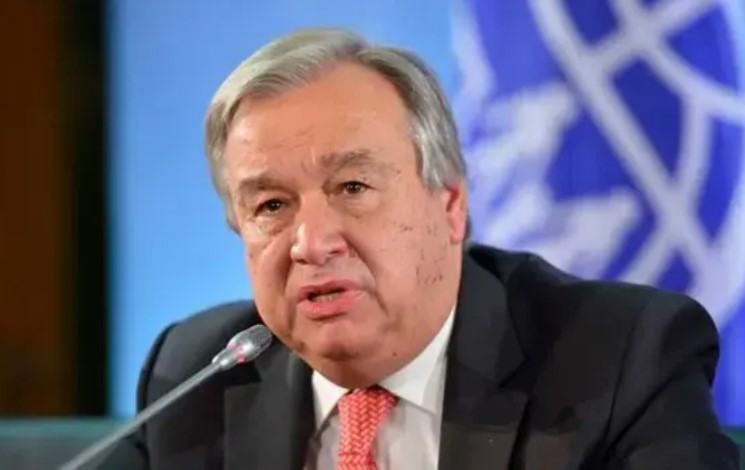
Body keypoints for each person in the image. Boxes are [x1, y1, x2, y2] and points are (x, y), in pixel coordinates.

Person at [101, 28, 739, 469]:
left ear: (450, 205)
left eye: (353, 187)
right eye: (271, 206)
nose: (311, 243)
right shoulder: (196, 377)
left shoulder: (618, 359)